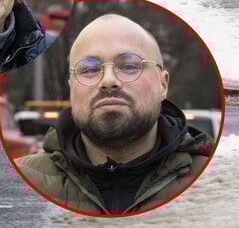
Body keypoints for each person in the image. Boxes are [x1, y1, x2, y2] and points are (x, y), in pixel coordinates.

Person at [16, 14, 214, 215]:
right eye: (89, 69)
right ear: (71, 87)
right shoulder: (16, 182)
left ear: (162, 84)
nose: (108, 80)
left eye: (129, 66)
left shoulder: (217, 181)